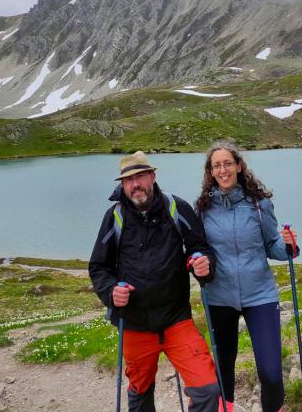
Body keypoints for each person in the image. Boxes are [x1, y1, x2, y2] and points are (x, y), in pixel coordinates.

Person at [89, 151, 222, 412]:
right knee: (140, 396)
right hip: (134, 324)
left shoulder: (177, 207)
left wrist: (203, 265)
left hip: (176, 321)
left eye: (140, 176)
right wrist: (110, 292)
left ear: (153, 176)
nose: (135, 184)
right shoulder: (114, 217)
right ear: (122, 185)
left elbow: (200, 248)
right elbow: (99, 266)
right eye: (129, 180)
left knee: (208, 390)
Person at [195, 142, 300, 412]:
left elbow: (271, 245)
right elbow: (198, 250)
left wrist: (288, 246)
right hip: (218, 296)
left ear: (239, 166)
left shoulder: (259, 204)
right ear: (211, 171)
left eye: (227, 163)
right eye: (216, 165)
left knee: (272, 374)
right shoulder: (203, 209)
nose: (223, 169)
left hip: (260, 295)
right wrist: (196, 263)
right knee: (222, 371)